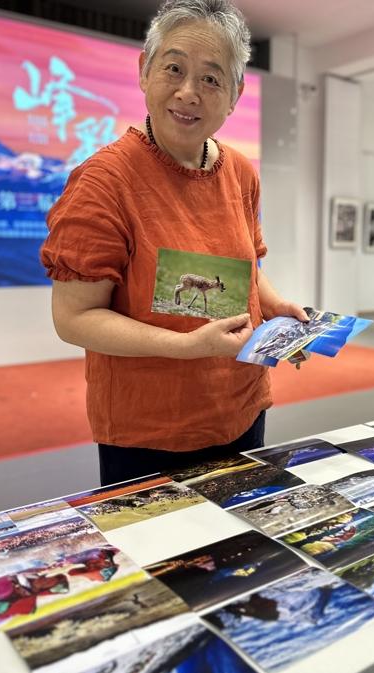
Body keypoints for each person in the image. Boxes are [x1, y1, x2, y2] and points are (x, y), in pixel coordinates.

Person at [40, 0, 307, 486]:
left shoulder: (240, 172)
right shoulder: (103, 181)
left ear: (235, 94)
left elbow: (248, 265)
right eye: (174, 68)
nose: (189, 93)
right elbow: (73, 317)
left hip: (241, 406)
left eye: (211, 79)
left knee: (243, 529)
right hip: (150, 430)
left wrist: (275, 307)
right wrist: (188, 346)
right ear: (145, 70)